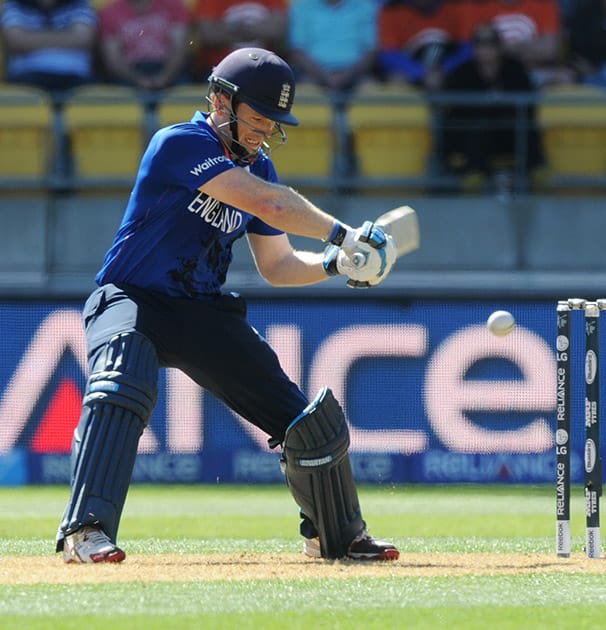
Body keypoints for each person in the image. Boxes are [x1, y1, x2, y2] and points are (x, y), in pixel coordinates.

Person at [56, 47, 400, 564]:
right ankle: (86, 532)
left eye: (274, 122)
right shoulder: (179, 142)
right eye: (258, 118)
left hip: (201, 311)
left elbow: (277, 264)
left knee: (303, 420)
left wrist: (336, 263)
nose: (265, 131)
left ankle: (335, 535)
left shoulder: (258, 163)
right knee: (120, 385)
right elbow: (270, 204)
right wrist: (347, 236)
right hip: (131, 297)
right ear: (221, 100)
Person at [441, 21, 540, 191]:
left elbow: (528, 105)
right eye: (480, 44)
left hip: (508, 132)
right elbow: (456, 111)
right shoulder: (462, 73)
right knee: (477, 127)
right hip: (474, 137)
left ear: (499, 46)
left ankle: (538, 172)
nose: (485, 50)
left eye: (490, 44)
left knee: (527, 127)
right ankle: (474, 177)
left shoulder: (515, 70)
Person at [0, 0, 97, 91]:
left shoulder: (78, 3)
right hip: (25, 75)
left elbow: (83, 38)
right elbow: (17, 41)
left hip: (76, 76)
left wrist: (30, 38)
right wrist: (68, 36)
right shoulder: (15, 4)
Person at [287, 0, 379, 93]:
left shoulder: (365, 6)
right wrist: (325, 77)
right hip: (314, 74)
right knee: (305, 91)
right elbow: (298, 51)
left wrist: (346, 76)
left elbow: (371, 51)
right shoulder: (302, 7)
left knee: (371, 91)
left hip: (356, 73)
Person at [97, 0, 192, 90]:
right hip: (129, 72)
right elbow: (113, 60)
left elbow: (179, 48)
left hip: (169, 68)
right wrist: (138, 79)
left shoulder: (173, 5)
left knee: (186, 94)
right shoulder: (110, 13)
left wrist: (164, 77)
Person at [191, 0, 288, 80]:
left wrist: (234, 31)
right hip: (218, 71)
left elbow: (278, 31)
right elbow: (209, 35)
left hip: (265, 69)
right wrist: (255, 30)